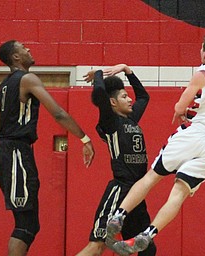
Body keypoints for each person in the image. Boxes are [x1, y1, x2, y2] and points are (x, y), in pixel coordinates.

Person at [106, 0, 205, 254]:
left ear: (204, 54)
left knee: (152, 177)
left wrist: (179, 114)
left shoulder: (203, 72)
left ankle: (119, 215)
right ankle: (148, 233)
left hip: (195, 133)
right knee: (179, 191)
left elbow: (181, 105)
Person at [0, 40, 95, 256]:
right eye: (23, 47)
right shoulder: (27, 79)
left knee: (30, 225)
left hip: (9, 151)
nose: (28, 49)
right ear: (16, 57)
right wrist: (84, 138)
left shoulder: (4, 85)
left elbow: (0, 124)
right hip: (16, 153)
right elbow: (58, 113)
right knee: (25, 225)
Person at [76, 64, 156, 256]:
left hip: (137, 193)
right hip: (120, 190)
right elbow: (100, 93)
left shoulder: (132, 119)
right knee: (96, 246)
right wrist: (99, 74)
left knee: (147, 248)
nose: (130, 100)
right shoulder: (110, 122)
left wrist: (127, 70)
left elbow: (144, 96)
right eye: (124, 97)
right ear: (112, 102)